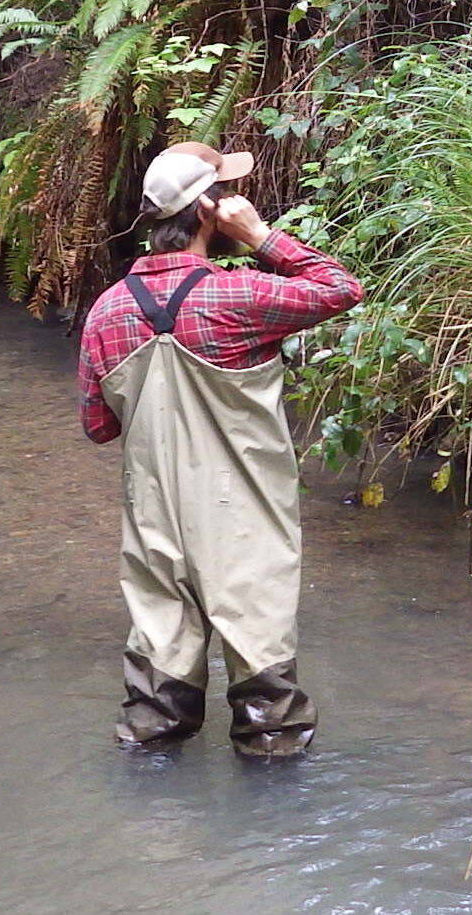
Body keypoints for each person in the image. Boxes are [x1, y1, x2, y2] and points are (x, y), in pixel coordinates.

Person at [77, 140, 363, 758]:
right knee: (270, 716)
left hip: (155, 524)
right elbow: (340, 287)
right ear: (208, 211)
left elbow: (99, 428)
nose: (237, 200)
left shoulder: (105, 312)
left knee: (153, 714)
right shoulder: (242, 297)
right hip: (245, 522)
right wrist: (261, 237)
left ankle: (152, 822)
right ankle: (269, 827)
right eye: (228, 193)